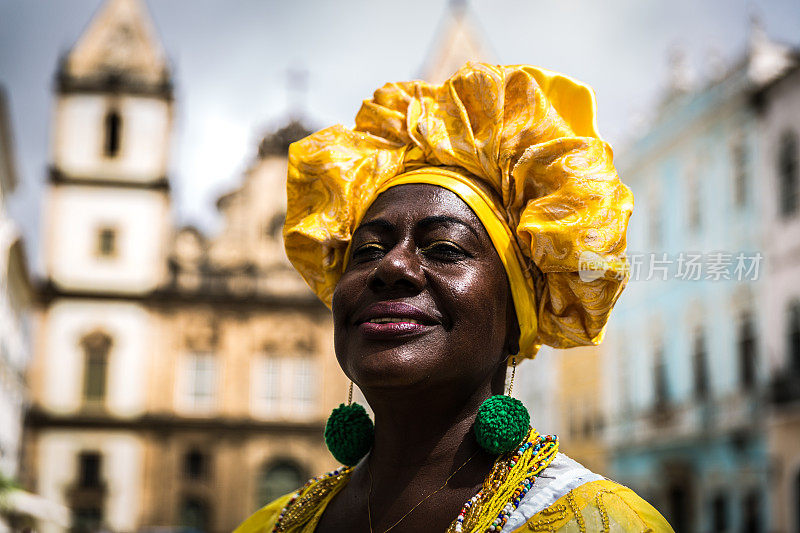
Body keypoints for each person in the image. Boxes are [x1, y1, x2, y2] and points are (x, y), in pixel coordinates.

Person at [236, 63, 673, 532]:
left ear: (516, 318)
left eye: (444, 248)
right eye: (366, 250)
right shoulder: (268, 524)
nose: (391, 267)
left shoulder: (601, 523)